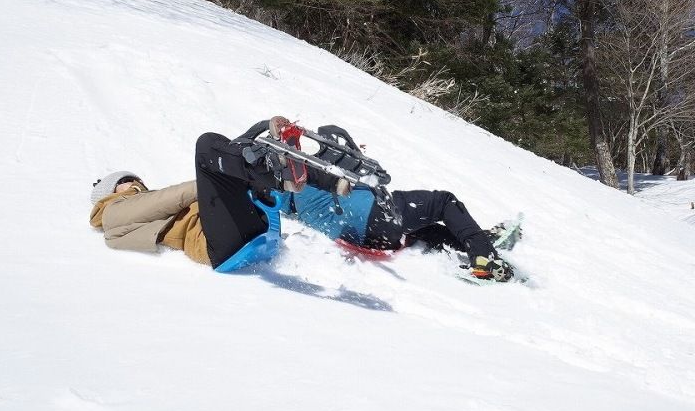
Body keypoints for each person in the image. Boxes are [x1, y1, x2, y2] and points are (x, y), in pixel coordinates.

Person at [90, 117, 512, 281]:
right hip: (232, 245)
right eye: (127, 183)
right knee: (442, 201)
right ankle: (483, 255)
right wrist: (219, 176)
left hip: (255, 231)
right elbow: (191, 191)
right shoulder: (113, 215)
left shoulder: (128, 224)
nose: (135, 185)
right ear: (111, 194)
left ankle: (472, 244)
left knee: (431, 226)